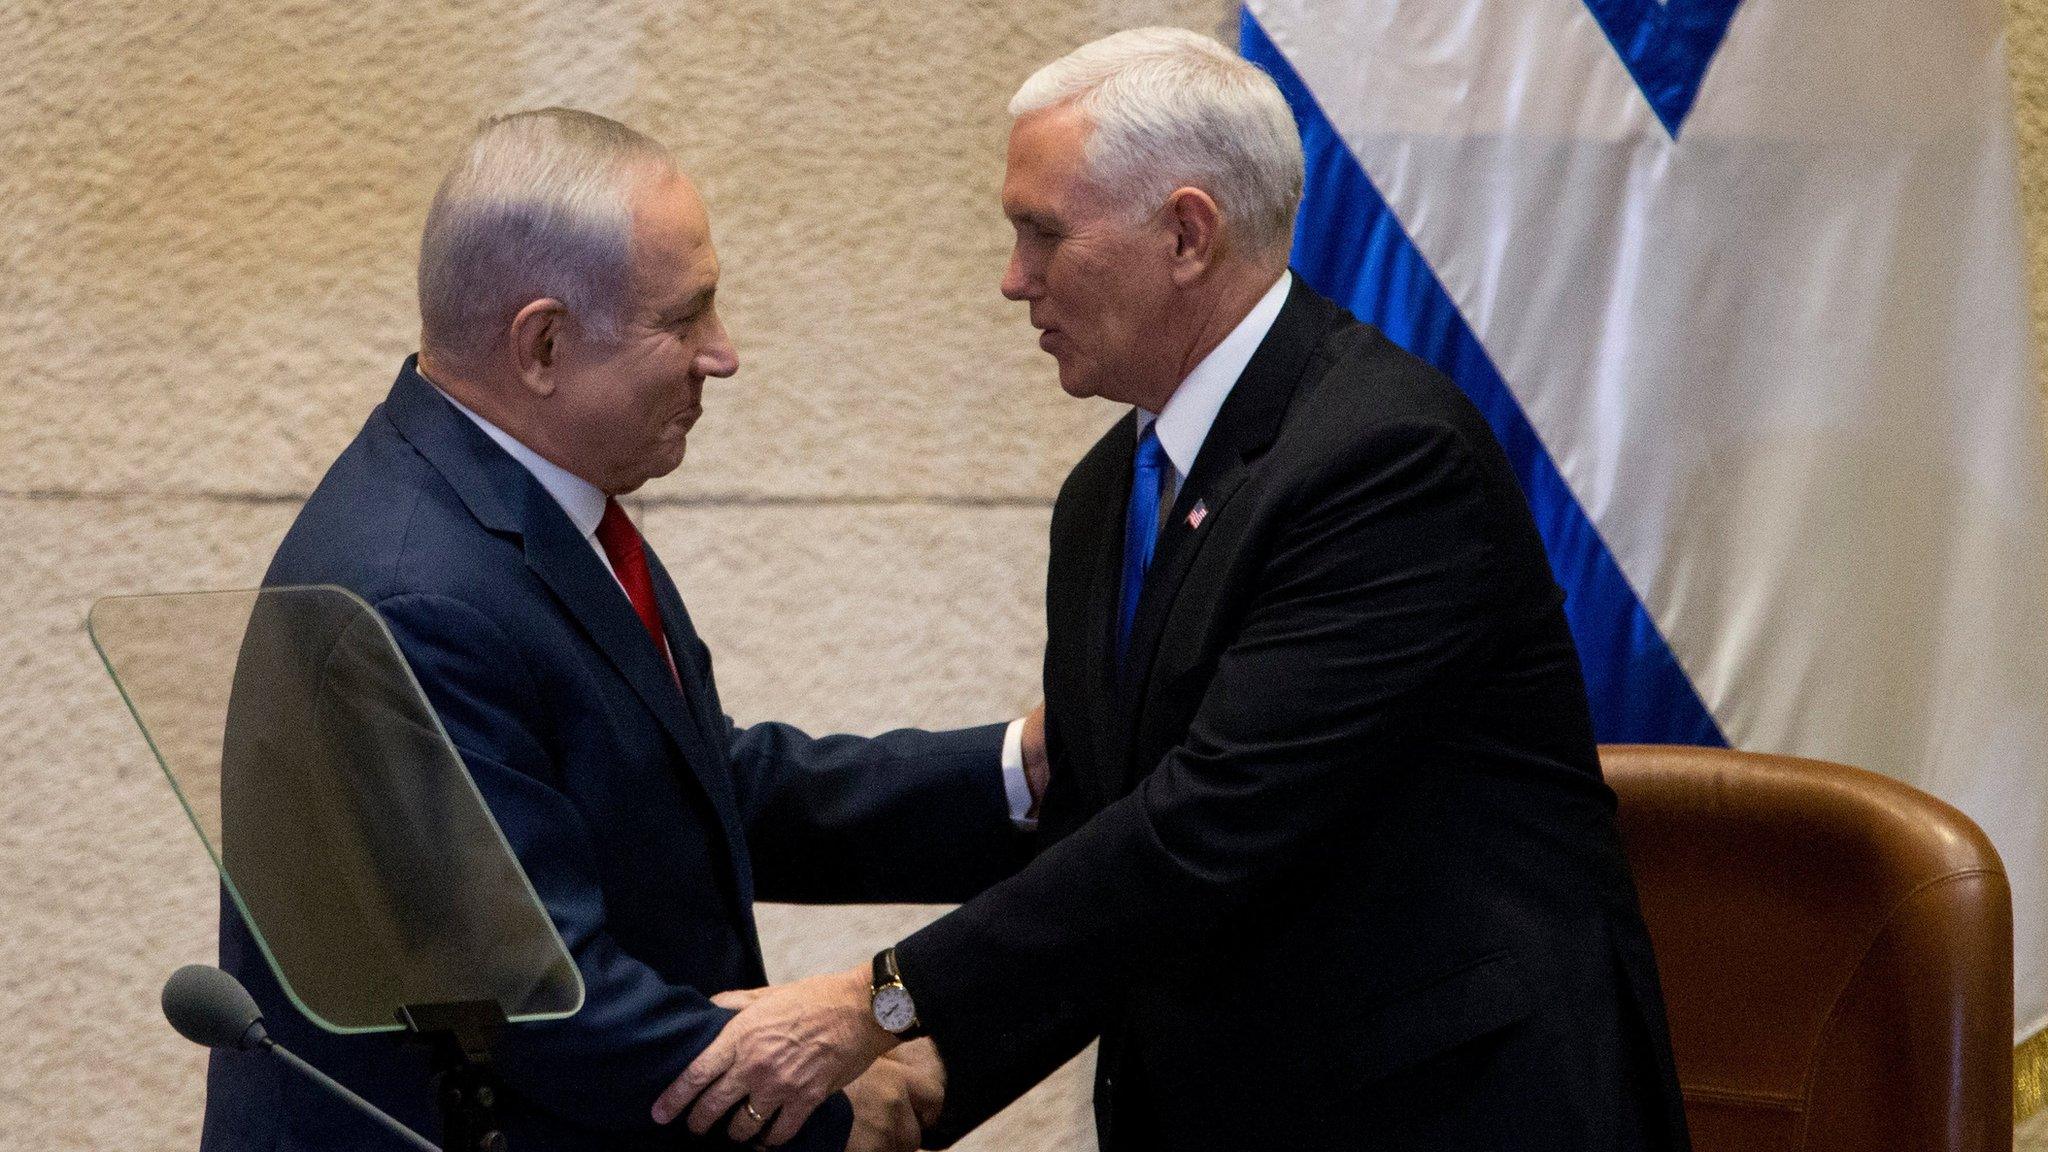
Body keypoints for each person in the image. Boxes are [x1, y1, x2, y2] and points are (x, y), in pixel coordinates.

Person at [652, 28, 1692, 1152]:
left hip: (1443, 1114)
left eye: (1039, 233)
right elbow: (1114, 839)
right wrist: (939, 1074)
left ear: (1185, 234)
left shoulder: (1387, 461)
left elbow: (1204, 831)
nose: (1012, 281)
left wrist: (876, 1003)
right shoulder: (1107, 493)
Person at [202, 108, 1044, 1152]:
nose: (721, 356)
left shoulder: (527, 505)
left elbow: (693, 793)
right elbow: (537, 1000)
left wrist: (1017, 772)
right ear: (544, 343)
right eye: (684, 320)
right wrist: (825, 1112)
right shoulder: (418, 591)